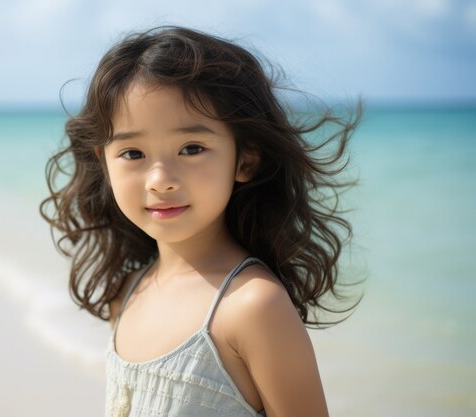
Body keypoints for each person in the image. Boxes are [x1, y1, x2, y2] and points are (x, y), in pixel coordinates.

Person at [41, 26, 361, 417]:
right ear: (104, 162)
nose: (161, 180)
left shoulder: (253, 306)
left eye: (191, 148)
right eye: (132, 153)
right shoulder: (125, 295)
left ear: (245, 159)